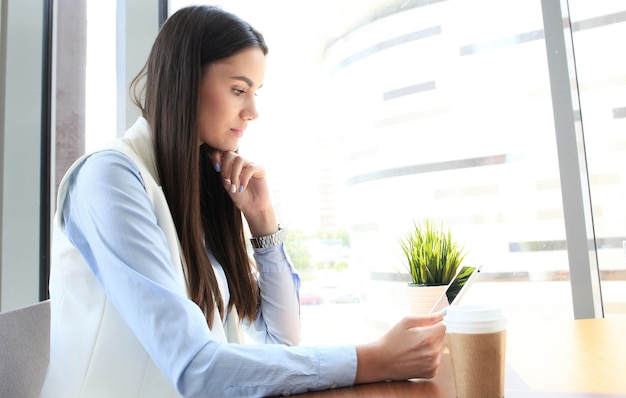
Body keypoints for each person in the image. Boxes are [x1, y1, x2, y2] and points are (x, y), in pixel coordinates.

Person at [39, 5, 446, 398]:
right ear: (184, 81)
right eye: (238, 90)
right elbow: (196, 367)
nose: (252, 111)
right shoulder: (110, 180)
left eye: (255, 92)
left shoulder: (202, 189)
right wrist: (374, 359)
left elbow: (281, 341)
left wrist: (263, 222)